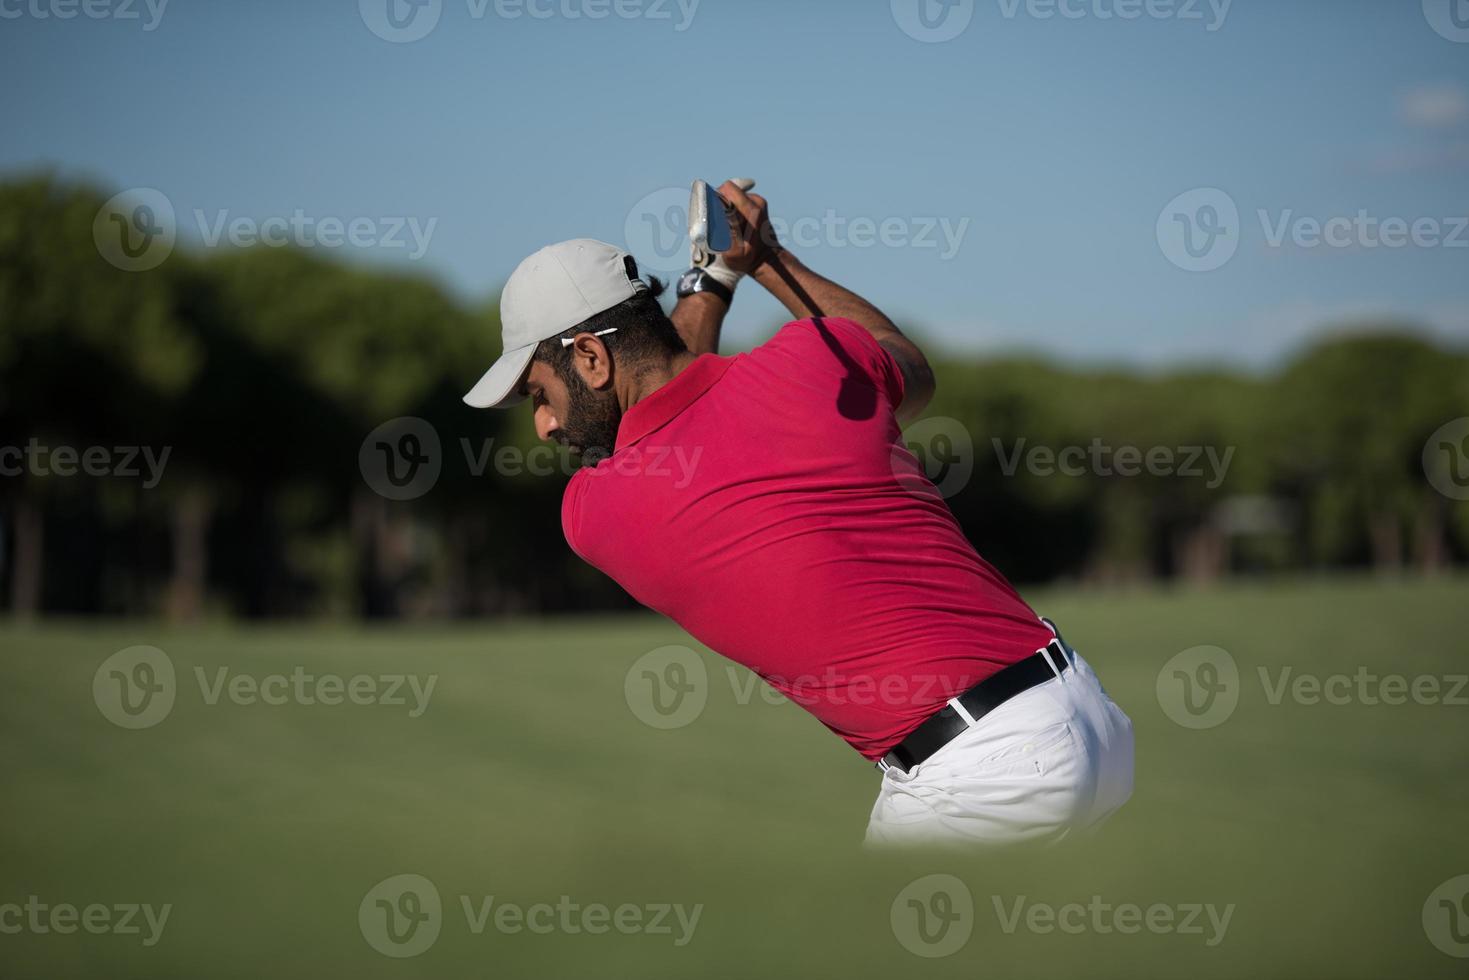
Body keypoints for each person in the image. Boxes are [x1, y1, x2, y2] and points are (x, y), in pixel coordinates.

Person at [462, 181, 1134, 847]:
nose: (545, 425)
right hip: (1079, 710)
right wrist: (762, 261)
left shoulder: (594, 511)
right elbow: (905, 369)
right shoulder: (808, 360)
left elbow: (672, 397)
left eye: (538, 393)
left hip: (987, 773)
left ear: (589, 357)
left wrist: (713, 280)